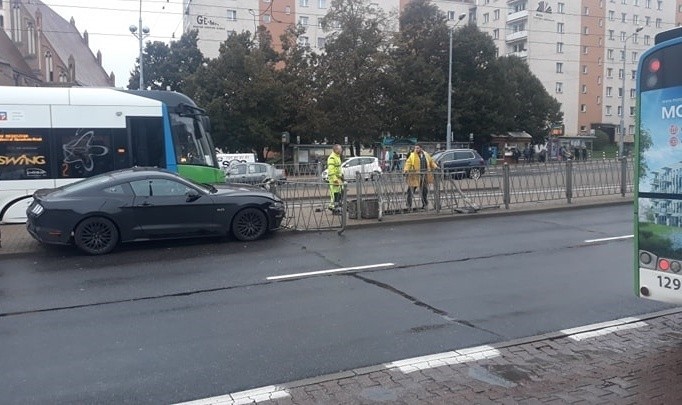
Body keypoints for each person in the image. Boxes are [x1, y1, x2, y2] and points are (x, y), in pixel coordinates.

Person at [403, 144, 437, 210]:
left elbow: (431, 162)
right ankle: (408, 205)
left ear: (421, 148)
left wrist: (435, 167)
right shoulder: (412, 155)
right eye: (415, 148)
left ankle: (425, 204)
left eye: (418, 148)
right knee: (410, 191)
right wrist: (405, 171)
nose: (416, 149)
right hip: (414, 176)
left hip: (424, 176)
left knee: (424, 191)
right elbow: (408, 163)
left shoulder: (426, 154)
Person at [327, 144, 344, 213]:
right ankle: (333, 207)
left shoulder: (337, 157)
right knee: (335, 194)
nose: (341, 150)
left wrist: (341, 175)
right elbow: (331, 170)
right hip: (334, 179)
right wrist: (335, 179)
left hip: (338, 178)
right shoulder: (332, 158)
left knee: (340, 193)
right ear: (336, 150)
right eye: (340, 149)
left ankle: (337, 207)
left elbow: (338, 168)